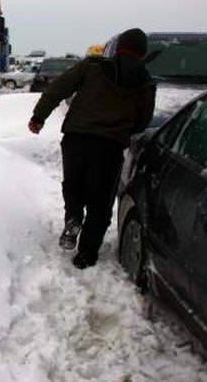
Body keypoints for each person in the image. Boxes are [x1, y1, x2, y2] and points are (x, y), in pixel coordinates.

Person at [27, 28, 156, 269]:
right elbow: (143, 122)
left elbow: (58, 89)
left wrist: (38, 117)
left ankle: (74, 216)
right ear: (142, 53)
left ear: (118, 48)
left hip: (77, 140)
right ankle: (86, 255)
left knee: (73, 185)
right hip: (110, 147)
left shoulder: (92, 67)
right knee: (100, 202)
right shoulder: (146, 83)